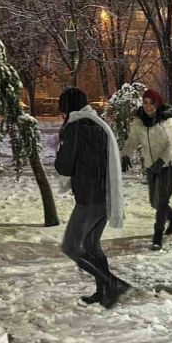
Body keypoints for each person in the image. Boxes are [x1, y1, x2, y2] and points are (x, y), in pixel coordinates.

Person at [55, 87, 130, 308]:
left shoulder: (75, 128)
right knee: (91, 245)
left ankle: (112, 283)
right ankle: (104, 291)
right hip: (105, 196)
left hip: (89, 199)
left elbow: (65, 166)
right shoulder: (97, 125)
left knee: (71, 247)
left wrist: (58, 153)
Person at [121, 89, 172, 250]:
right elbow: (133, 140)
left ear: (158, 104)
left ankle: (157, 237)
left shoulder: (168, 121)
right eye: (145, 102)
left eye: (151, 103)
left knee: (162, 201)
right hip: (150, 166)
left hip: (169, 165)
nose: (148, 107)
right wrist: (126, 154)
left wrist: (162, 160)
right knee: (154, 202)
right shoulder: (139, 121)